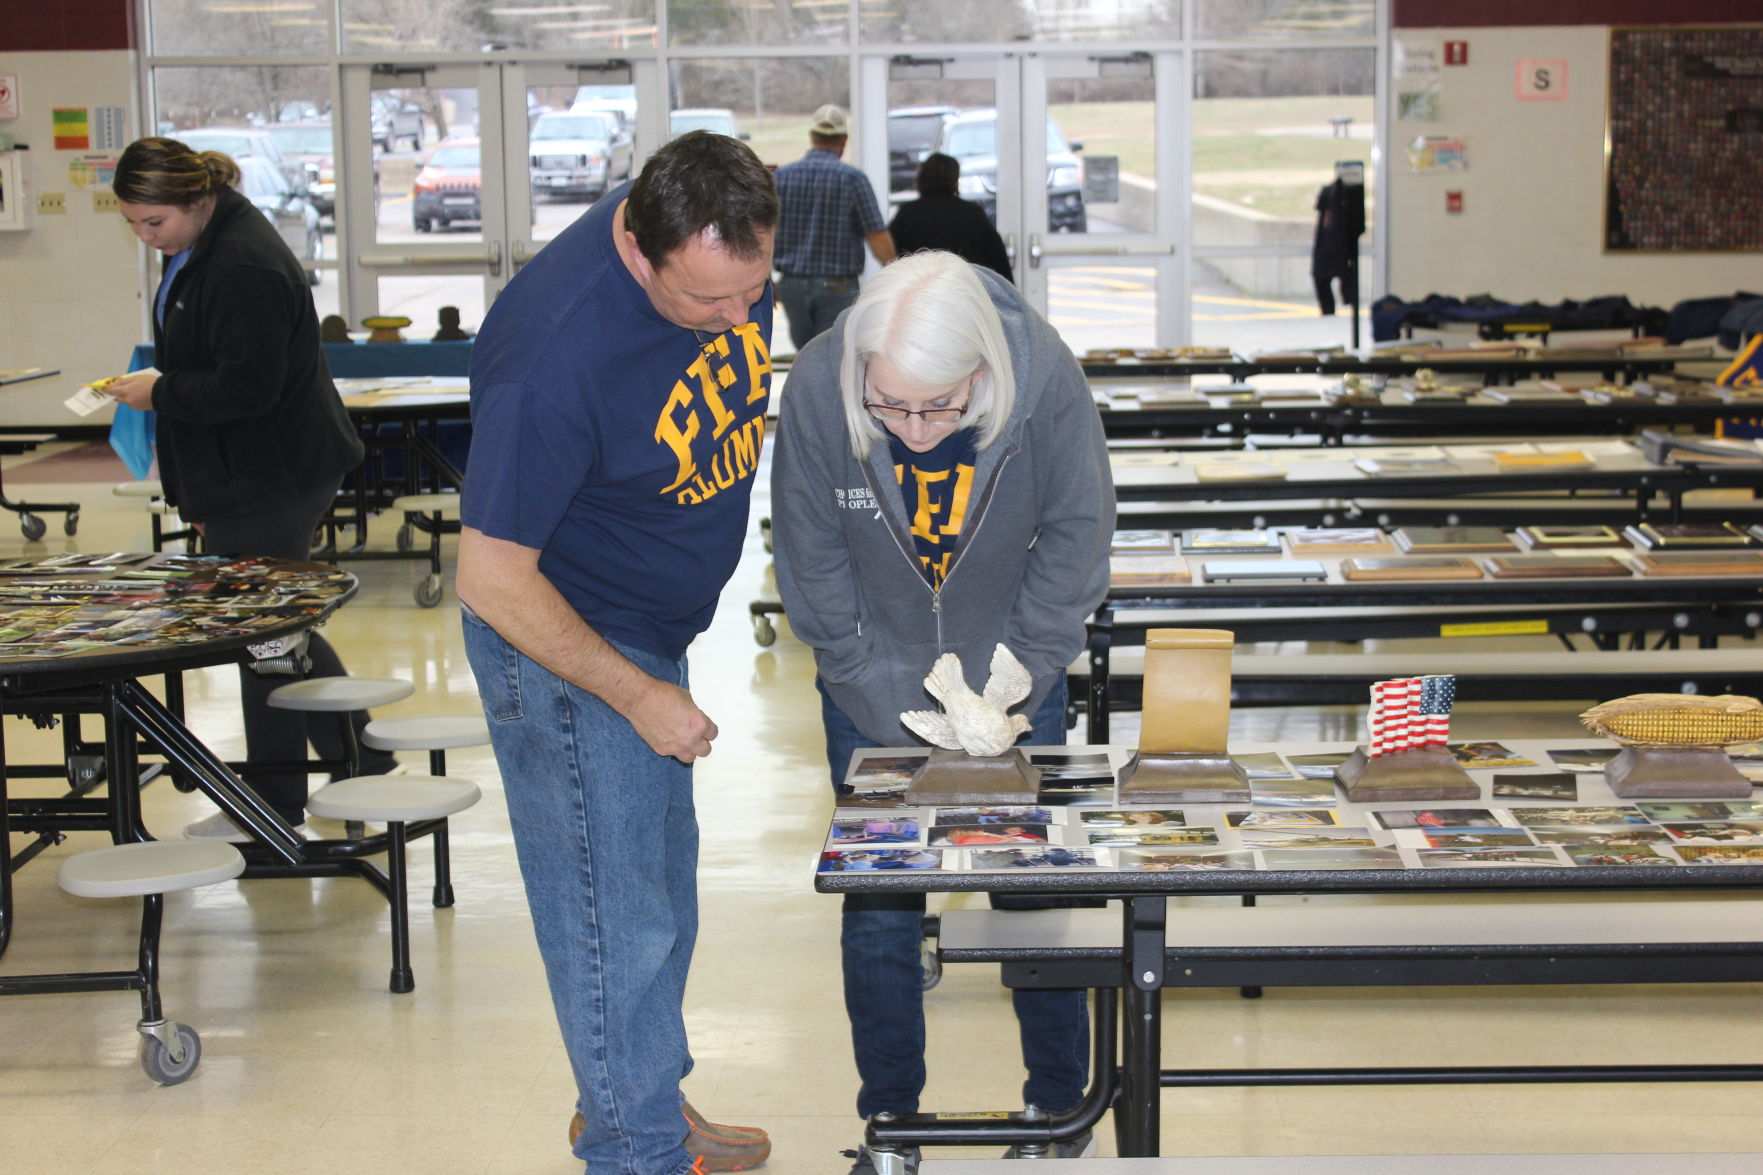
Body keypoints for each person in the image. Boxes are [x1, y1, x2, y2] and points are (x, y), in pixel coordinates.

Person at [456, 131, 779, 1175]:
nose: (736, 319)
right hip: (564, 640)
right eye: (705, 303)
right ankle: (632, 1151)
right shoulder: (551, 353)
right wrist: (636, 693)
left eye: (752, 290)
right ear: (638, 251)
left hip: (649, 631)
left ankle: (639, 1103)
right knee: (613, 918)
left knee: (661, 898)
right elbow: (491, 575)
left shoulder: (710, 237)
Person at [770, 250, 1115, 1171]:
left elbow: (1078, 536)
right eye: (890, 409)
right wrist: (888, 701)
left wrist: (1019, 675)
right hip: (867, 671)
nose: (915, 431)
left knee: (1030, 894)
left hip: (1010, 677)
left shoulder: (1045, 378)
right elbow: (811, 564)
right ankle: (891, 1127)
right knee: (881, 906)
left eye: (940, 408)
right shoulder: (817, 385)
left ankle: (1055, 1113)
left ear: (985, 376)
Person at [105, 137, 396, 839]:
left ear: (197, 200)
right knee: (276, 623)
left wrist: (160, 391)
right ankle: (356, 752)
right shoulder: (205, 245)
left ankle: (274, 802)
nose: (147, 239)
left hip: (274, 470)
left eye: (155, 223)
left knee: (256, 633)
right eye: (134, 224)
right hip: (247, 471)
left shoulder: (241, 264)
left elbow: (248, 386)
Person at [771, 103, 896, 351]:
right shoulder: (852, 179)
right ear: (844, 139)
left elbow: (762, 235)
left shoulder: (781, 178)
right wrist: (898, 275)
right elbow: (876, 234)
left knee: (806, 356)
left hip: (792, 286)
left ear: (812, 137)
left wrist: (765, 282)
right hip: (837, 287)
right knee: (834, 359)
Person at [887, 153, 1013, 283]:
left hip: (918, 292)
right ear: (955, 180)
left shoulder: (907, 213)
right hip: (963, 292)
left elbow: (889, 255)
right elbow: (1000, 263)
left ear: (921, 179)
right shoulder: (972, 213)